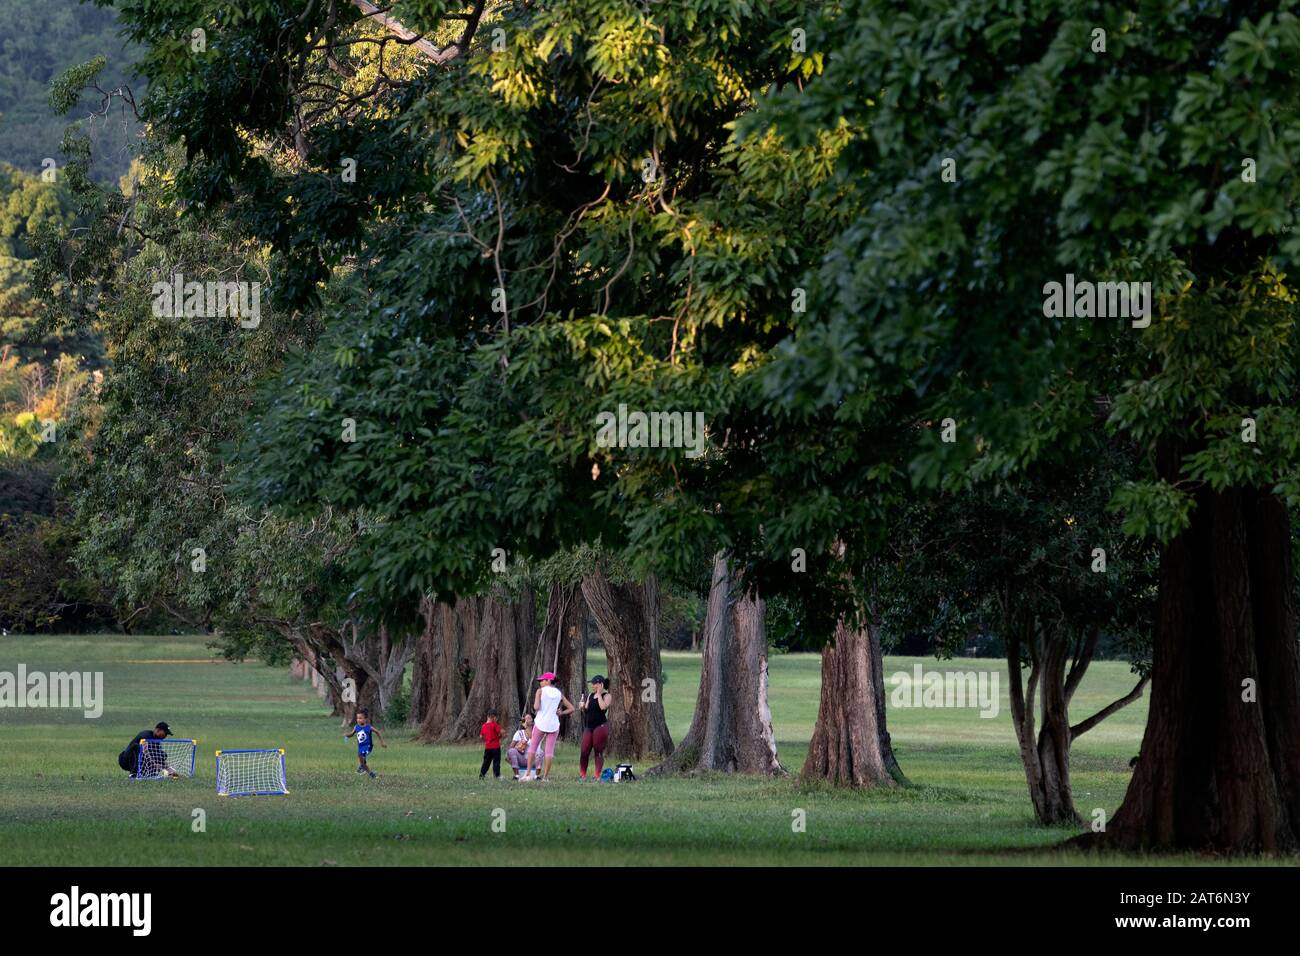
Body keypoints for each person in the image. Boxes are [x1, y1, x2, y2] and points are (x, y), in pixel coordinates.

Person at [519, 672, 574, 783]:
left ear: (548, 680)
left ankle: (528, 774)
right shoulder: (559, 693)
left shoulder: (540, 691)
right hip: (553, 725)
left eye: (542, 680)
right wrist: (561, 712)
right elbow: (571, 708)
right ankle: (545, 777)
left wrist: (538, 700)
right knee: (549, 752)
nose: (540, 682)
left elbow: (536, 707)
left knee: (533, 748)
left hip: (540, 723)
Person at [578, 675, 611, 782]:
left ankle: (597, 775)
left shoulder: (607, 696)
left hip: (600, 726)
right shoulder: (590, 695)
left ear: (600, 684)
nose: (592, 686)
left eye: (594, 684)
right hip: (589, 726)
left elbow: (603, 707)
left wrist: (599, 694)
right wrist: (582, 707)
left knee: (598, 751)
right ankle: (582, 775)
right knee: (584, 751)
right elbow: (586, 711)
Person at [345, 708, 386, 778]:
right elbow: (351, 734)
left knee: (362, 757)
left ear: (365, 719)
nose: (358, 719)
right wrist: (347, 735)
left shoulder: (368, 727)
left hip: (368, 746)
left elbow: (377, 732)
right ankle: (370, 773)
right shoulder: (356, 727)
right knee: (362, 761)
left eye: (360, 718)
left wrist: (382, 742)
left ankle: (362, 767)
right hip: (360, 746)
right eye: (357, 718)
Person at [506, 714, 535, 779]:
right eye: (526, 719)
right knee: (511, 751)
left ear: (533, 721)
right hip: (522, 758)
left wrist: (526, 727)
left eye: (529, 718)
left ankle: (537, 775)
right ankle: (517, 775)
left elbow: (533, 738)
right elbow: (511, 747)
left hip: (533, 759)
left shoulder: (536, 732)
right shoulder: (519, 733)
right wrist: (508, 756)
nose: (527, 720)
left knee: (540, 752)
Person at [479, 710, 504, 779]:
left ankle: (482, 774)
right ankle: (497, 775)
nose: (496, 719)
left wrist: (487, 739)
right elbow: (501, 732)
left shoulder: (483, 726)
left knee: (486, 761)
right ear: (494, 717)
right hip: (496, 747)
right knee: (496, 761)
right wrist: (500, 736)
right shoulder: (495, 725)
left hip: (487, 747)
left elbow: (481, 736)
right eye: (496, 718)